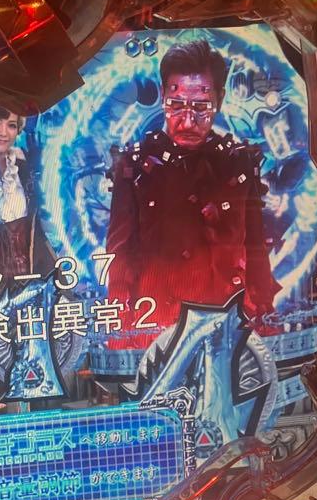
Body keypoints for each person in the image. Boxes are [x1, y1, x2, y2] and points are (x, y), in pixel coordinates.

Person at [105, 39, 280, 329]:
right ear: (163, 95)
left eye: (201, 107)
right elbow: (119, 258)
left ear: (220, 99)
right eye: (176, 105)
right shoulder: (134, 166)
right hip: (156, 329)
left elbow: (256, 251)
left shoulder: (238, 163)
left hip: (227, 327)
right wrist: (121, 329)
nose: (187, 122)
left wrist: (263, 321)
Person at [0, 100, 56, 290]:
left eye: (11, 125)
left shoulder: (25, 168)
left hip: (35, 281)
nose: (3, 132)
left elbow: (43, 225)